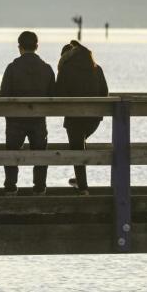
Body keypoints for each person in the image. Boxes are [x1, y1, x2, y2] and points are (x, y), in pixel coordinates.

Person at [0, 31, 56, 195]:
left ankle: (10, 187)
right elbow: (53, 95)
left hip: (15, 120)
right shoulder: (46, 69)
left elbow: (3, 95)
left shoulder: (12, 68)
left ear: (19, 47)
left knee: (11, 153)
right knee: (40, 154)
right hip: (38, 119)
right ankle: (39, 188)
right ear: (37, 46)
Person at [55, 40, 109, 195]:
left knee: (77, 148)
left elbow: (59, 95)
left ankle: (83, 187)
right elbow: (104, 93)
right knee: (80, 145)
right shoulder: (96, 68)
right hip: (94, 119)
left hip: (74, 118)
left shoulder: (66, 69)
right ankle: (80, 180)